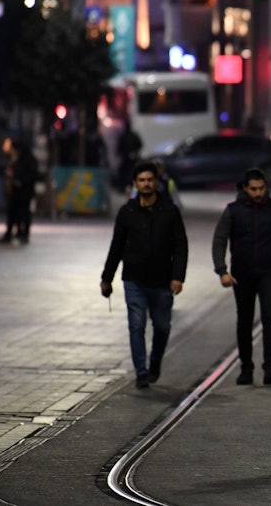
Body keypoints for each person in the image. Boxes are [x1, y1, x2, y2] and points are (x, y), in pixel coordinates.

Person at [100, 160, 188, 389]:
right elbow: (116, 245)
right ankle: (141, 371)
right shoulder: (127, 212)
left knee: (162, 327)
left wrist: (178, 276)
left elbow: (181, 246)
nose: (146, 184)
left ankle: (155, 362)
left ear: (156, 182)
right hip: (134, 279)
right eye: (142, 180)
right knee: (136, 325)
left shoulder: (169, 211)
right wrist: (106, 277)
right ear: (135, 184)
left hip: (162, 280)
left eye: (150, 180)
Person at [211, 167, 271, 386]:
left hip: (270, 271)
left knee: (270, 317)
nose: (258, 193)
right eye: (253, 189)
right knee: (244, 321)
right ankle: (246, 368)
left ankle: (270, 366)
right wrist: (222, 271)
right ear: (244, 188)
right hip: (242, 274)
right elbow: (219, 240)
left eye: (261, 188)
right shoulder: (233, 211)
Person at [0, 137, 38, 245]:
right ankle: (14, 232)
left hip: (25, 191)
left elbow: (33, 175)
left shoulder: (30, 160)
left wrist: (22, 181)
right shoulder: (16, 159)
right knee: (13, 212)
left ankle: (24, 234)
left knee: (25, 213)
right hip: (15, 191)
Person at [116, 122, 143, 193]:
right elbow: (140, 145)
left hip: (129, 159)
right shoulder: (131, 135)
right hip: (128, 158)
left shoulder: (126, 136)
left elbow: (119, 147)